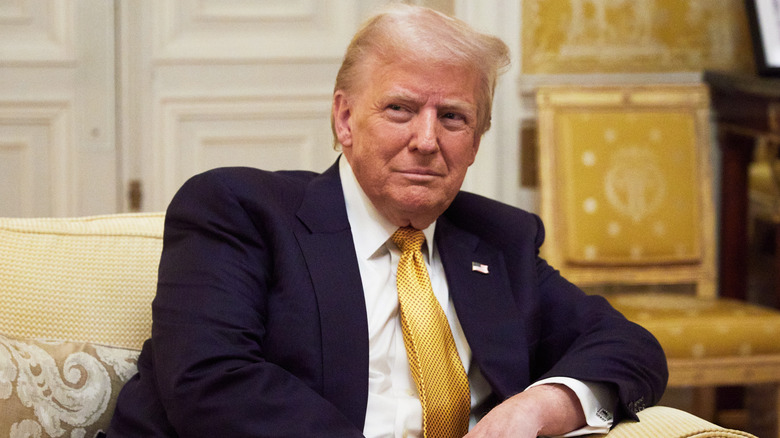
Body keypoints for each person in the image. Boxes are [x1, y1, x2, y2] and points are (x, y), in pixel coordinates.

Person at [109, 4, 667, 437]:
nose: (426, 141)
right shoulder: (240, 209)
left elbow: (629, 347)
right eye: (400, 109)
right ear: (345, 118)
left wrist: (543, 405)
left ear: (476, 141)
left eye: (453, 117)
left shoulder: (499, 240)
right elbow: (211, 383)